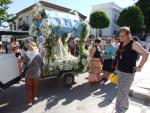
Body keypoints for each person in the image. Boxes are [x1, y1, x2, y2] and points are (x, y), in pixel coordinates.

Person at [112, 27, 149, 113]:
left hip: (128, 73)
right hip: (120, 71)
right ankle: (125, 105)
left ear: (129, 35)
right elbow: (119, 57)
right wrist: (116, 69)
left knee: (121, 92)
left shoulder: (133, 43)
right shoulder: (121, 43)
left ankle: (119, 110)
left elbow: (145, 54)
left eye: (123, 36)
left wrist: (140, 66)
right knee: (123, 91)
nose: (121, 38)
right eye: (120, 36)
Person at [23, 41, 45, 107]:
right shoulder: (38, 54)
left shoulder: (26, 54)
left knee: (28, 87)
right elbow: (42, 64)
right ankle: (33, 97)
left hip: (28, 73)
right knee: (35, 87)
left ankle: (29, 101)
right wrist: (42, 73)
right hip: (36, 74)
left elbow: (24, 64)